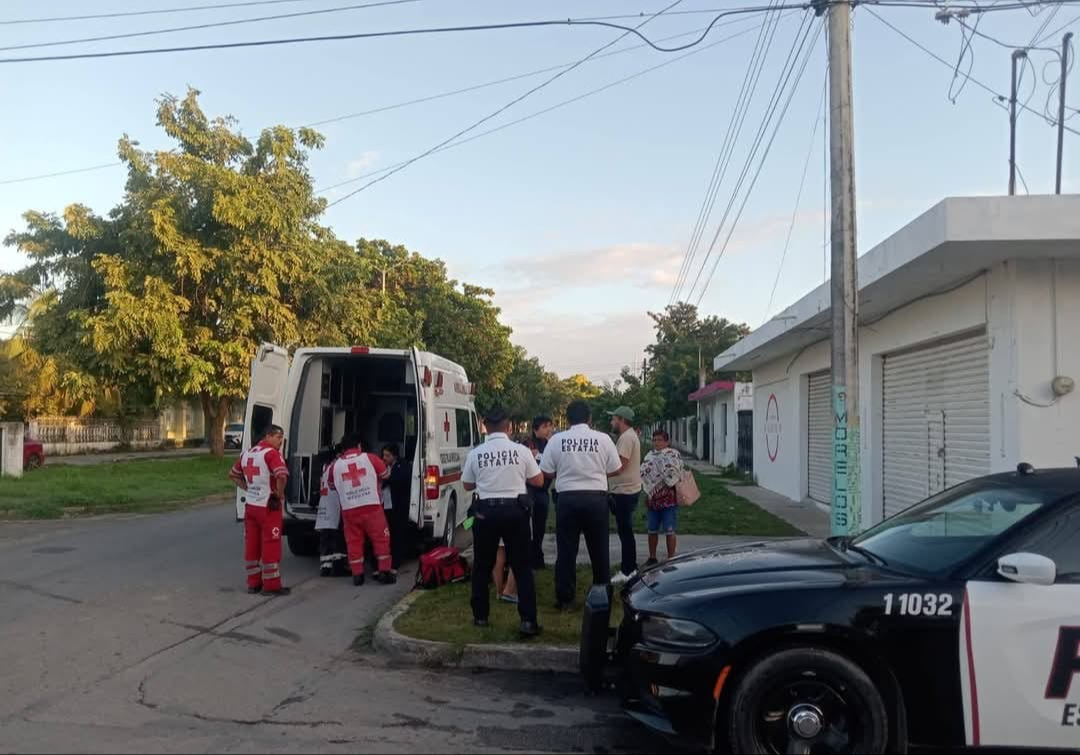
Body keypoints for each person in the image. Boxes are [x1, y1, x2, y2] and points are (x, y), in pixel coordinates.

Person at [461, 405, 545, 637]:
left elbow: (467, 485)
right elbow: (538, 481)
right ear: (508, 427)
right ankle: (528, 621)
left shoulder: (476, 453)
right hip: (515, 512)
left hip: (485, 513)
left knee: (482, 565)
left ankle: (480, 617)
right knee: (522, 566)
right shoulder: (521, 451)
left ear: (485, 427)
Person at [540, 400, 623, 611]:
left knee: (566, 550)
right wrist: (596, 471)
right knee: (599, 549)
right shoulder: (603, 439)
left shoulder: (557, 440)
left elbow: (547, 471)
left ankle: (565, 599)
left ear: (567, 419)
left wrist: (566, 471)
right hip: (596, 499)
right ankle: (602, 595)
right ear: (590, 418)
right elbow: (616, 468)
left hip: (567, 498)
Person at [228, 425, 291, 596]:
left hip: (251, 507)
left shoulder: (247, 453)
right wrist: (278, 493)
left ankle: (253, 583)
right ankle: (271, 586)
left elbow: (233, 474)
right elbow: (281, 475)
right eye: (279, 437)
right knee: (271, 544)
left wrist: (248, 489)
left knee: (252, 544)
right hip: (268, 507)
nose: (280, 441)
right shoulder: (271, 454)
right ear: (268, 436)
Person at [328, 433, 394, 586]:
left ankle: (357, 574)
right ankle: (384, 572)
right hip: (371, 506)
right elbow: (385, 474)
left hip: (349, 510)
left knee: (353, 542)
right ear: (358, 445)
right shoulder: (370, 458)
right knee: (381, 538)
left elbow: (332, 486)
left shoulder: (335, 466)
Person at [607, 406, 642, 586]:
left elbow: (620, 465)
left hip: (625, 492)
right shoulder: (627, 436)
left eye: (613, 419)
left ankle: (628, 570)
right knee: (625, 531)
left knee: (625, 532)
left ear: (621, 419)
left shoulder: (626, 438)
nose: (611, 422)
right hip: (626, 490)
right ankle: (630, 566)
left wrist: (600, 472)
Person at [640, 429, 685, 565]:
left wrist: (676, 490)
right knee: (652, 529)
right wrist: (648, 493)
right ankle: (652, 557)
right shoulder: (649, 456)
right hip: (653, 499)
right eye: (654, 440)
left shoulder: (673, 454)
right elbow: (645, 473)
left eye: (660, 440)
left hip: (669, 499)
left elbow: (677, 473)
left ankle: (671, 558)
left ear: (667, 441)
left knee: (669, 530)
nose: (656, 442)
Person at [524, 415, 556, 570]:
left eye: (550, 426)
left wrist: (537, 456)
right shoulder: (526, 444)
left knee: (540, 526)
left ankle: (537, 555)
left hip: (543, 491)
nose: (549, 429)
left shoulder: (551, 445)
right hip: (529, 490)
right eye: (545, 426)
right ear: (535, 429)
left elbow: (554, 465)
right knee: (525, 525)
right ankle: (527, 555)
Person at [315, 443, 349, 577]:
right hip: (335, 506)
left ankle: (325, 566)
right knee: (338, 539)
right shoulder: (338, 465)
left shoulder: (325, 467)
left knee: (325, 538)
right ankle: (339, 567)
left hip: (324, 506)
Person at [381, 443, 412, 572]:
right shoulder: (383, 466)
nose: (384, 458)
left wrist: (388, 480)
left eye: (387, 455)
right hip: (386, 506)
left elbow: (402, 480)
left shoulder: (402, 466)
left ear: (395, 456)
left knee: (398, 535)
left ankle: (396, 562)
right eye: (383, 455)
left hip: (399, 506)